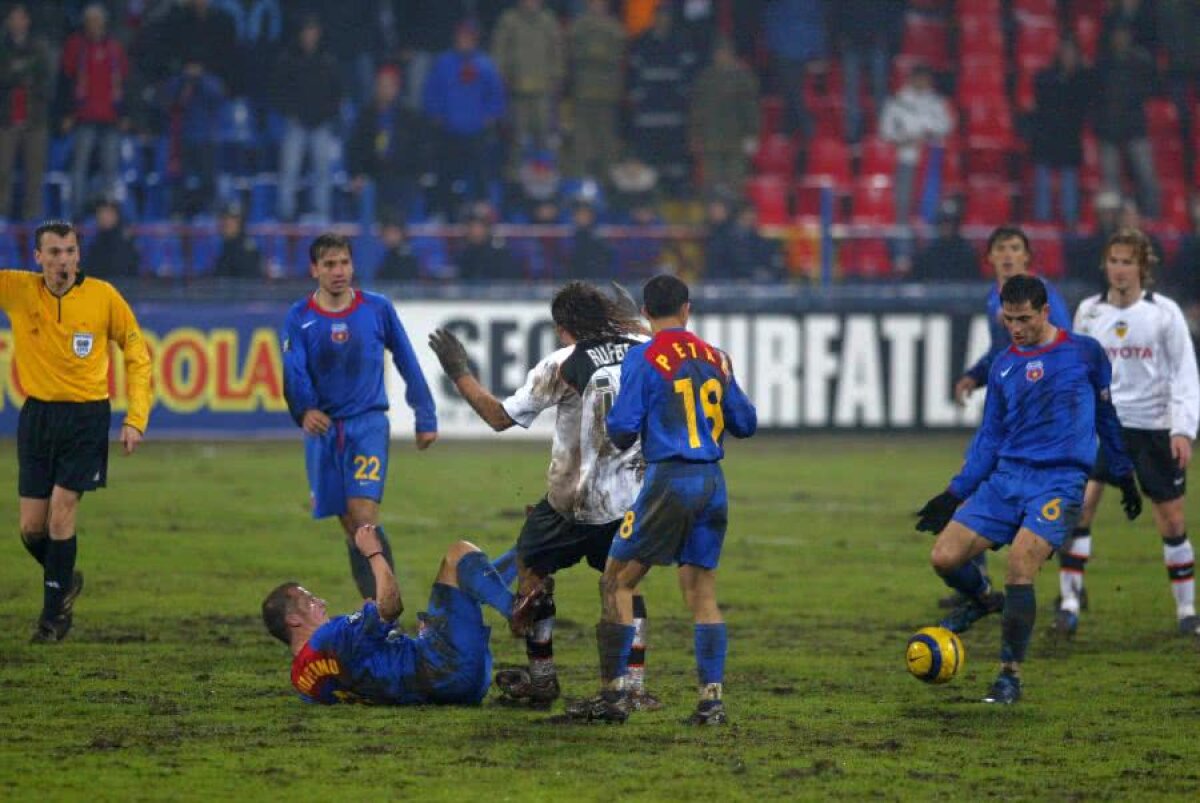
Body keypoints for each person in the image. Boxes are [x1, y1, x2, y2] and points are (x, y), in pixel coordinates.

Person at [426, 281, 659, 709]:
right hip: (630, 500)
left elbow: (499, 418)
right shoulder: (644, 346)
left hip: (572, 503)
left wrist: (459, 371)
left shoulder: (562, 363)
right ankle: (636, 686)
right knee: (625, 587)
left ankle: (543, 678)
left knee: (531, 571)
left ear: (562, 327)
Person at [915, 274, 1142, 704]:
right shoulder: (1003, 365)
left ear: (1044, 312)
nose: (1015, 328)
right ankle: (983, 600)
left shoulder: (1085, 353)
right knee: (943, 558)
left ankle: (1009, 676)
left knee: (1020, 564)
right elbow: (990, 437)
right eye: (1008, 319)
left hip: (1058, 482)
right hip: (1007, 478)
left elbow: (1106, 419)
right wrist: (953, 493)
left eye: (1023, 319)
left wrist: (1123, 472)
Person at [569, 274, 757, 725]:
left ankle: (613, 696)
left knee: (616, 582)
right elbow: (746, 422)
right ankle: (711, 701)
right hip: (713, 481)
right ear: (687, 308)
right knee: (701, 592)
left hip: (669, 479)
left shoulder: (645, 357)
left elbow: (620, 430)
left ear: (645, 314)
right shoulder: (716, 357)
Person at [0, 220, 151, 642]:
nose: (62, 260)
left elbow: (136, 353)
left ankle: (52, 620)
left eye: (69, 251)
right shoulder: (17, 289)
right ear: (38, 257)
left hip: (86, 417)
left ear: (78, 254)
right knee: (31, 529)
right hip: (37, 418)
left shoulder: (103, 297)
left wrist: (135, 416)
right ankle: (64, 578)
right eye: (53, 252)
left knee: (62, 512)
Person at [1057, 228, 1200, 638]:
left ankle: (1187, 610)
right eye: (1114, 261)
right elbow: (1076, 371)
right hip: (1104, 427)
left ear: (1143, 267)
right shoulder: (1089, 312)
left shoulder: (1165, 313)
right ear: (1105, 264)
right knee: (1079, 509)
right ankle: (1069, 603)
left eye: (1127, 261)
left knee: (1172, 522)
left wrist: (1183, 430)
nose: (1119, 269)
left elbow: (1185, 374)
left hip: (1153, 427)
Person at [282, 233, 437, 602]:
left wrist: (425, 414)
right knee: (350, 525)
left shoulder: (377, 309)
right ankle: (373, 606)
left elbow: (406, 359)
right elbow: (293, 371)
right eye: (330, 264)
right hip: (323, 431)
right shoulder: (299, 317)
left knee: (363, 514)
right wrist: (305, 410)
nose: (339, 272)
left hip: (367, 424)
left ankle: (388, 607)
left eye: (345, 263)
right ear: (314, 269)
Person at [262, 524, 547, 705]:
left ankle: (530, 551)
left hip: (439, 689)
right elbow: (390, 605)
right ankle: (517, 603)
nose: (320, 601)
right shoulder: (331, 636)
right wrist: (373, 554)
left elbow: (368, 670)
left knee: (463, 584)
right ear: (293, 620)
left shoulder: (302, 680)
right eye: (309, 600)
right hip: (445, 669)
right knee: (459, 554)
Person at [948, 227, 1073, 607]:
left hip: (1036, 419)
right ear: (989, 257)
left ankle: (1071, 587)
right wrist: (974, 374)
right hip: (1002, 415)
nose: (1007, 255)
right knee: (973, 482)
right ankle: (979, 584)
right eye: (1000, 249)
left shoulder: (1046, 297)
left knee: (1050, 501)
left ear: (1027, 257)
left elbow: (1064, 348)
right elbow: (999, 352)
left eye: (1014, 248)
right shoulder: (995, 298)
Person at [84, 199, 139, 278]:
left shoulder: (125, 241)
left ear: (116, 215)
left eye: (108, 213)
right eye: (100, 212)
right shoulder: (95, 243)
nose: (103, 216)